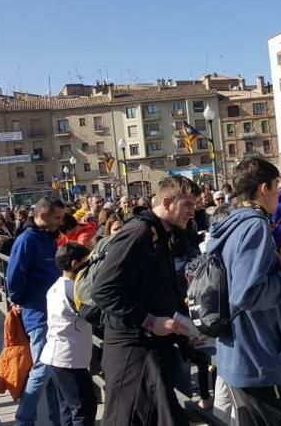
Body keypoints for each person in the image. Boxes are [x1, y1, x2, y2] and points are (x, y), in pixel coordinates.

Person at [204, 158, 281, 425]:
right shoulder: (254, 226)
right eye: (277, 186)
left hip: (241, 352)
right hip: (259, 356)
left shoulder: (230, 223)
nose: (279, 192)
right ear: (264, 188)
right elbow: (247, 294)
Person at [92, 176, 198, 426]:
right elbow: (104, 290)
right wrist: (150, 321)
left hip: (149, 348)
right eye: (187, 206)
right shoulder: (139, 232)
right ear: (168, 201)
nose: (192, 213)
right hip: (132, 349)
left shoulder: (161, 233)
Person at [6, 196, 66, 426]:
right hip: (37, 313)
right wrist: (18, 300)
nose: (60, 222)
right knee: (43, 368)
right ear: (42, 216)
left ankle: (57, 419)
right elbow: (14, 275)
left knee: (52, 373)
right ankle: (24, 419)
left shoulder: (45, 237)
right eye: (57, 217)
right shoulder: (27, 240)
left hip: (51, 311)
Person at [40, 242, 96, 426]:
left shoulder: (56, 286)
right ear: (74, 264)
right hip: (69, 357)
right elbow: (93, 312)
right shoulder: (74, 289)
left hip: (58, 355)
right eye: (86, 261)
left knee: (67, 407)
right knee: (83, 408)